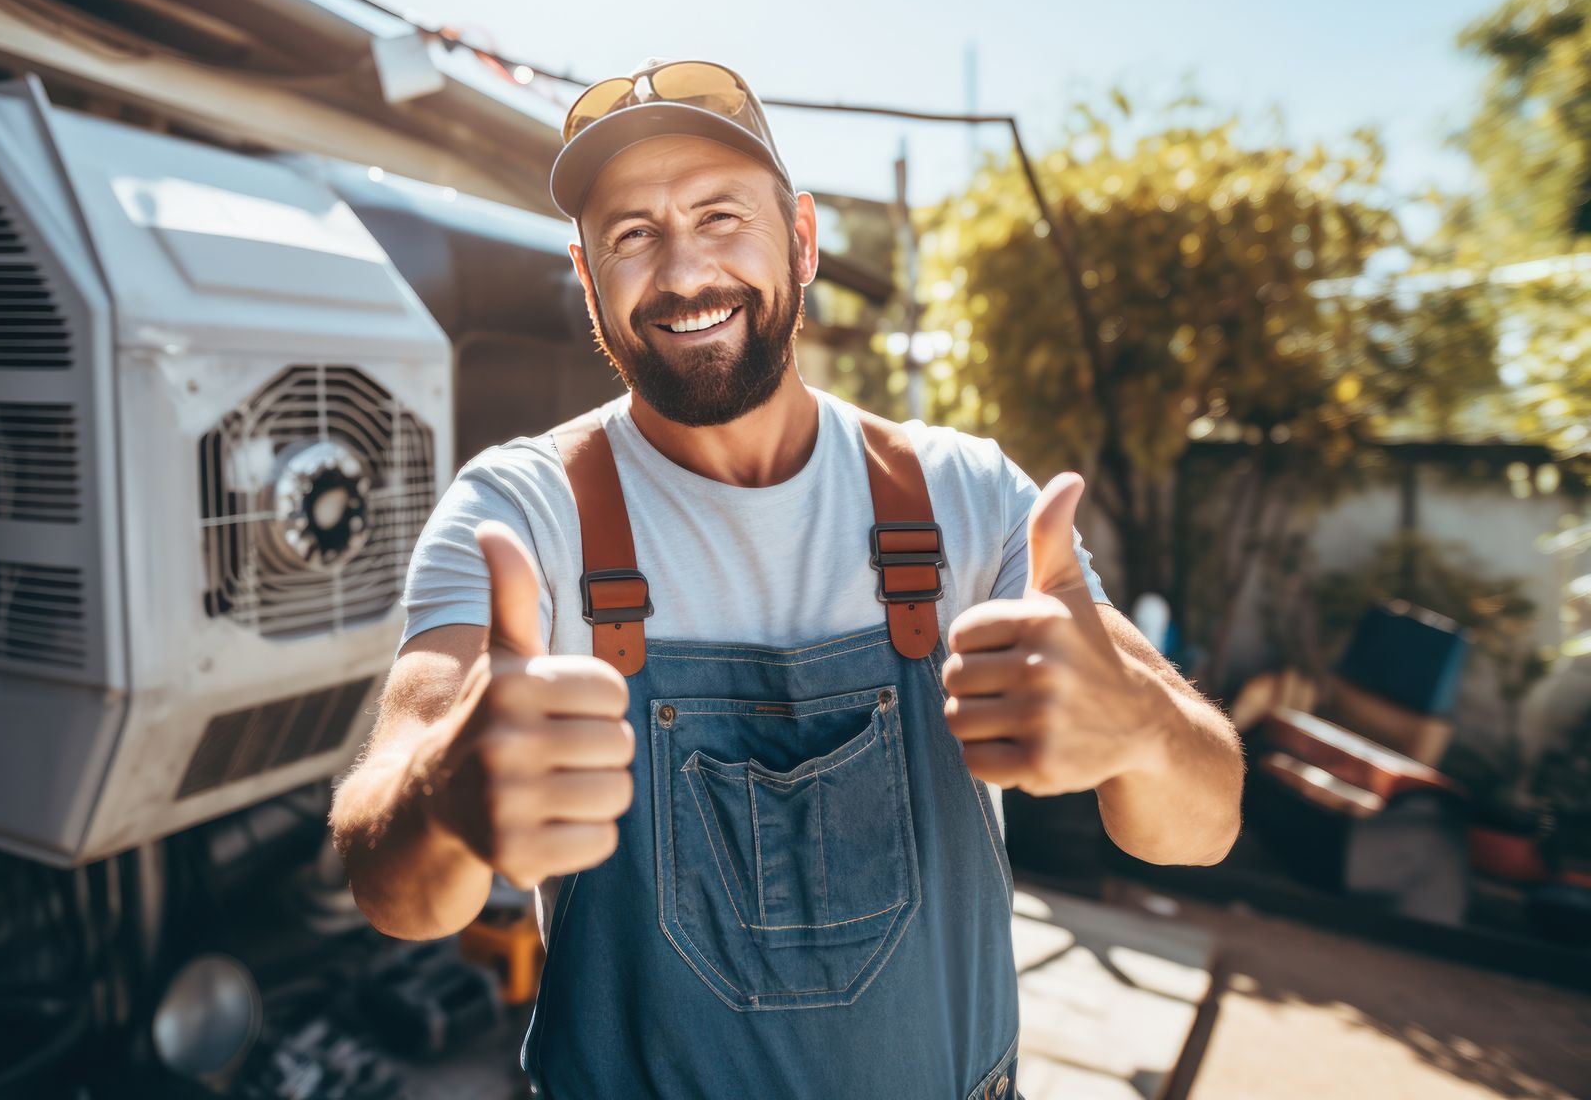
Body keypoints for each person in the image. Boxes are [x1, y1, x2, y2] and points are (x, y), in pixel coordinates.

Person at [329, 58, 1244, 1098]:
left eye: (721, 216)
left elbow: (1201, 824)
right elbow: (391, 885)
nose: (681, 273)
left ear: (802, 240)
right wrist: (447, 788)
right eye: (632, 235)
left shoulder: (971, 499)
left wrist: (1140, 725)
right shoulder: (519, 515)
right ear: (589, 280)